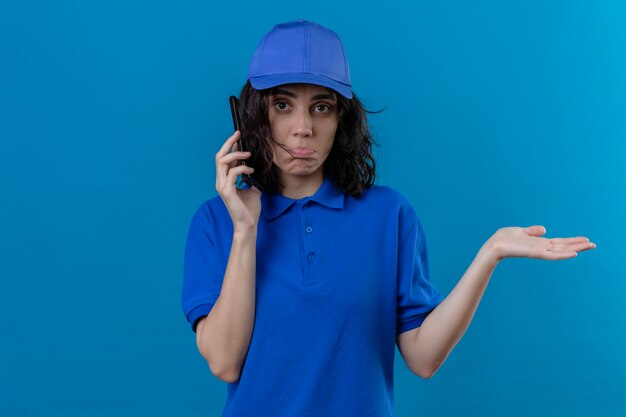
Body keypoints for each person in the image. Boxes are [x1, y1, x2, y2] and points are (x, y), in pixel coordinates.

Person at [181, 19, 595, 417]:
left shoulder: (389, 215)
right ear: (253, 115)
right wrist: (245, 230)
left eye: (321, 107)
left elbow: (424, 357)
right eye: (283, 105)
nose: (302, 128)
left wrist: (489, 254)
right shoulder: (216, 223)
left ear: (341, 119)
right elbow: (223, 363)